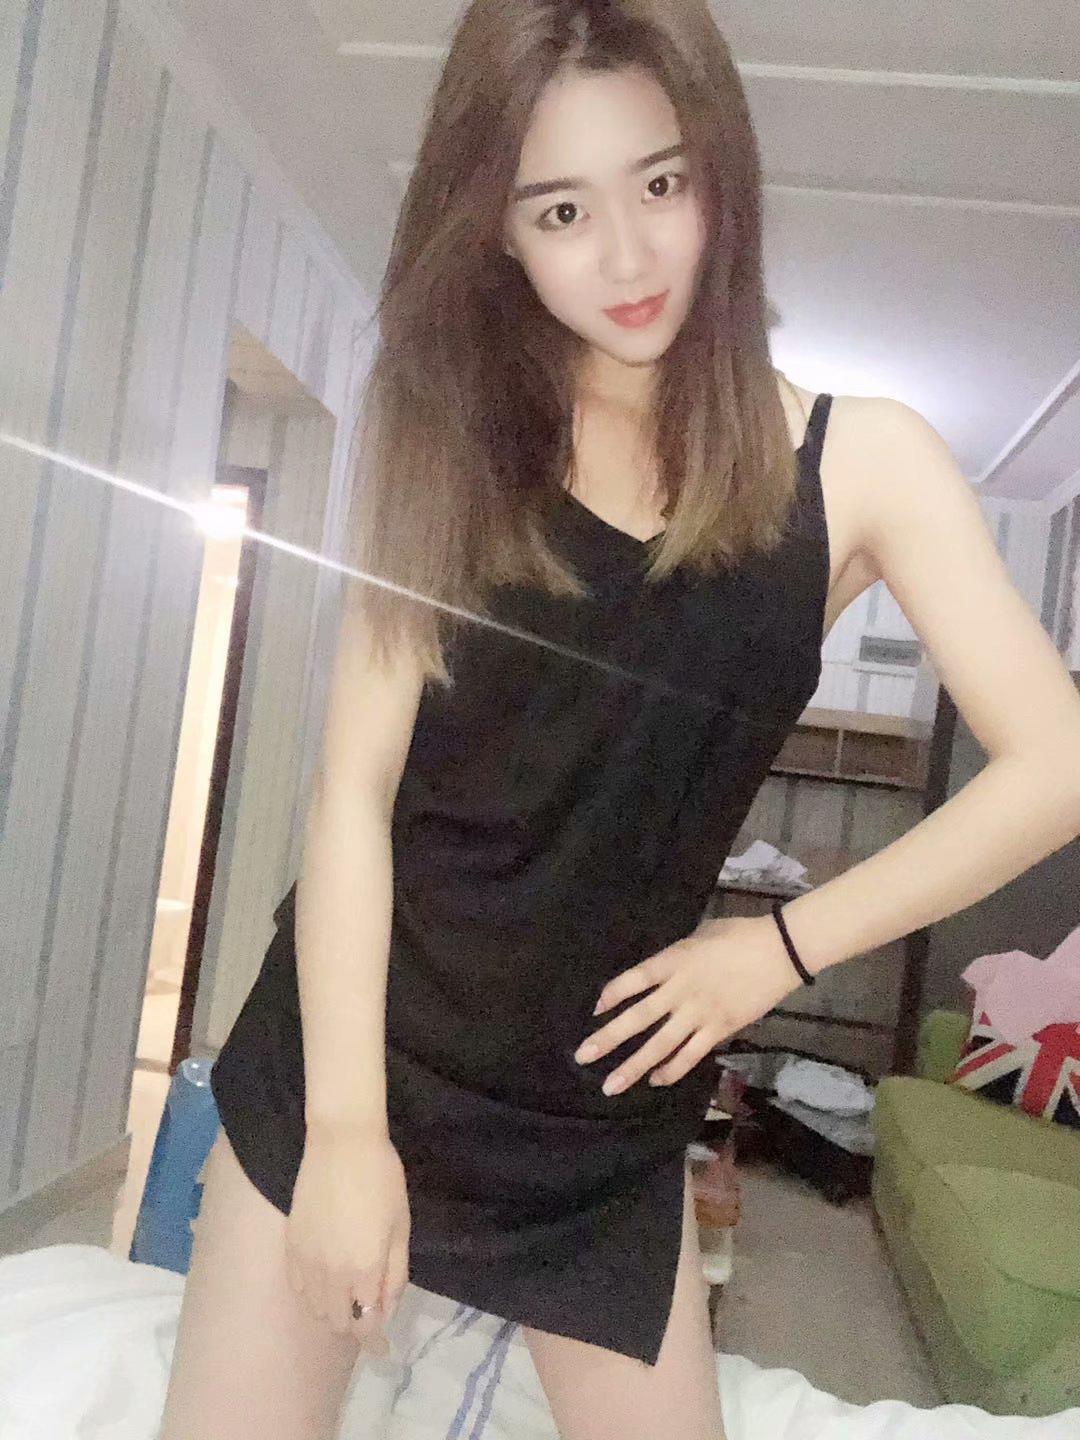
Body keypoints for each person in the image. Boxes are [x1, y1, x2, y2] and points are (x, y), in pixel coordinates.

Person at [159, 2, 1080, 1438]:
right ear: (501, 232)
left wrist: (778, 948)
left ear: (721, 170)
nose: (631, 257)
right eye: (563, 211)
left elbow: (1058, 764)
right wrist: (341, 1134)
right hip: (360, 1057)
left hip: (601, 1120)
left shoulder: (862, 464)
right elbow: (353, 795)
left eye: (661, 183)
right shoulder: (452, 430)